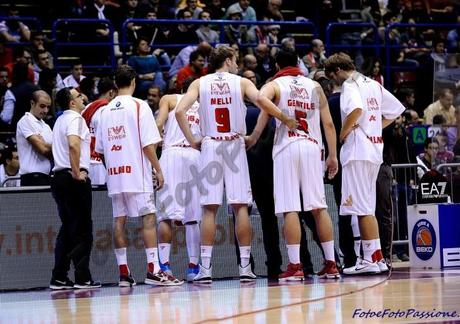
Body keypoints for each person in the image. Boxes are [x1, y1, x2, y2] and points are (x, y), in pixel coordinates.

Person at [175, 45, 297, 283]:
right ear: (229, 60)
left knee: (209, 208)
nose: (237, 64)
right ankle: (244, 267)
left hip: (210, 144)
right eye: (236, 60)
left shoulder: (200, 83)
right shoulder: (241, 82)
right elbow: (263, 102)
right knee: (240, 207)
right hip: (234, 144)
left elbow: (180, 111)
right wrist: (273, 124)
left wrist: (192, 141)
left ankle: (206, 268)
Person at [247, 49, 340, 280]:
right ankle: (331, 264)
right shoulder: (314, 86)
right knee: (319, 208)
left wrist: (283, 117)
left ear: (278, 64)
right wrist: (333, 155)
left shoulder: (277, 84)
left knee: (290, 208)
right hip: (313, 147)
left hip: (288, 147)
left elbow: (260, 99)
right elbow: (328, 124)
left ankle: (295, 266)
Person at [95, 65, 181, 287]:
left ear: (116, 83)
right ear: (133, 82)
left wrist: (112, 171)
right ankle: (153, 269)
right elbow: (148, 144)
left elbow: (101, 149)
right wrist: (158, 169)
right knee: (148, 218)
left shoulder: (103, 111)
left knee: (119, 221)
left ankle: (124, 273)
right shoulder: (139, 105)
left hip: (115, 173)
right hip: (137, 172)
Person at [324, 52, 405, 275]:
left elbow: (357, 109)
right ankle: (376, 256)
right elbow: (396, 110)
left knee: (361, 209)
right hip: (374, 149)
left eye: (332, 77)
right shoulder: (372, 83)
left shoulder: (350, 85)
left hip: (358, 150)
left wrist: (344, 131)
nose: (333, 82)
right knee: (367, 207)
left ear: (338, 71)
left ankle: (368, 260)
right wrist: (376, 127)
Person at [50, 87, 100, 290]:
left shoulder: (59, 120)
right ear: (72, 103)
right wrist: (77, 171)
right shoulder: (75, 119)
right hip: (73, 178)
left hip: (59, 178)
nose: (82, 97)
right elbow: (73, 145)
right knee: (82, 230)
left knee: (68, 229)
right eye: (79, 95)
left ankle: (59, 276)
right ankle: (82, 277)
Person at [155, 92, 201, 282]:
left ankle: (164, 266)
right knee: (193, 217)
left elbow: (158, 125)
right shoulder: (202, 102)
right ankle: (193, 267)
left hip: (171, 155)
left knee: (166, 216)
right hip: (194, 155)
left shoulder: (169, 99)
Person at [81, 77, 117, 186]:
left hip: (86, 162)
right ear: (111, 93)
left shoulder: (86, 108)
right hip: (101, 162)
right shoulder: (108, 110)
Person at [16, 90, 53, 185]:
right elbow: (43, 149)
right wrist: (50, 146)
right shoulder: (25, 120)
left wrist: (48, 145)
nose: (45, 111)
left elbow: (55, 151)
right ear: (32, 103)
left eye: (48, 107)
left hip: (45, 176)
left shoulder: (46, 126)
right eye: (42, 106)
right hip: (31, 177)